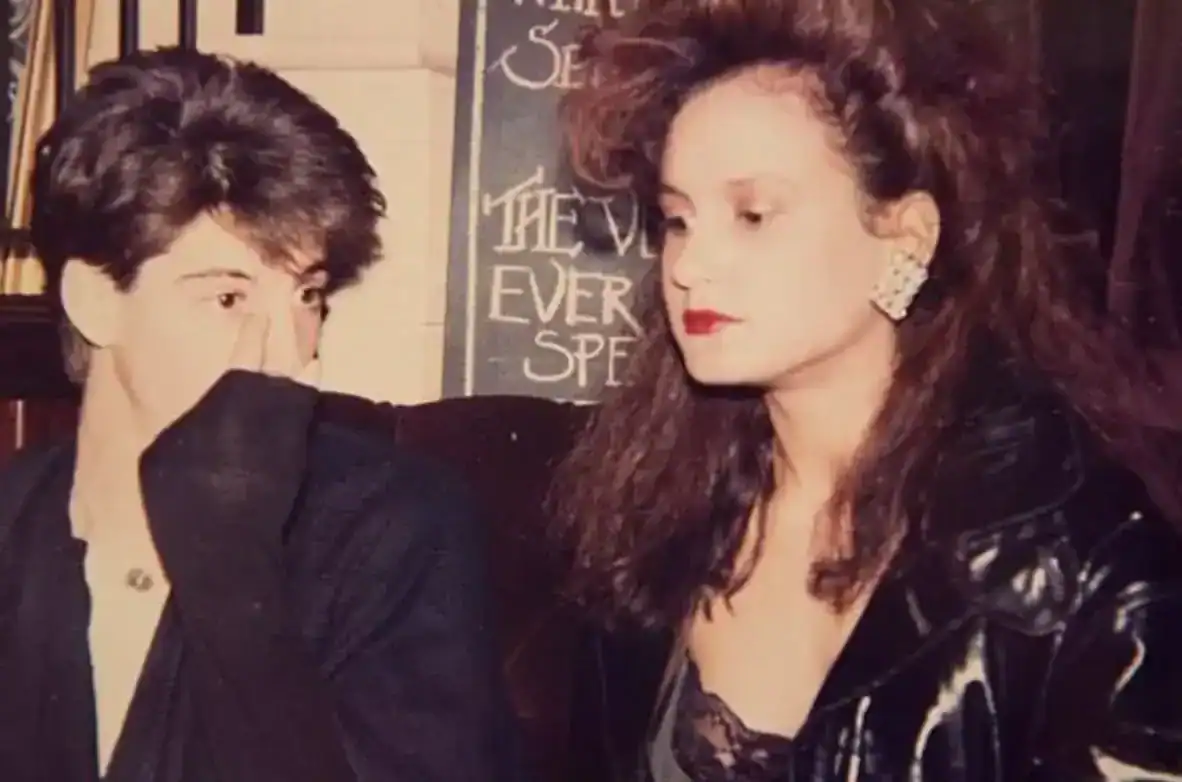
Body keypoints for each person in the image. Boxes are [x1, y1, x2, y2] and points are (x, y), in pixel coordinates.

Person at [551, 1, 1182, 780]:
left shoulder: (1084, 561)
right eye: (678, 219)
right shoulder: (650, 514)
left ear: (905, 238)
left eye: (753, 214)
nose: (689, 265)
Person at [0, 47, 519, 782]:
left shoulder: (396, 530)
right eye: (228, 297)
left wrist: (232, 577)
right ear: (96, 301)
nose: (290, 355)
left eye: (307, 296)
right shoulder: (15, 524)